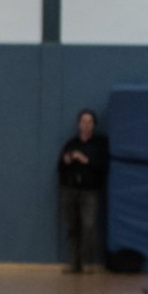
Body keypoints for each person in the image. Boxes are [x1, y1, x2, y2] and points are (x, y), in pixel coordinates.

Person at [58, 108, 109, 273]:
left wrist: (85, 159)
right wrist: (66, 161)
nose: (86, 124)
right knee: (73, 227)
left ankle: (88, 262)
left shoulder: (100, 143)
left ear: (94, 124)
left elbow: (103, 166)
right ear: (78, 124)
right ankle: (75, 262)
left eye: (89, 121)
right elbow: (60, 167)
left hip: (90, 191)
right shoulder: (71, 144)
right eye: (83, 121)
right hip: (70, 189)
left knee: (88, 226)